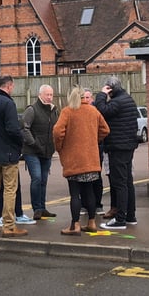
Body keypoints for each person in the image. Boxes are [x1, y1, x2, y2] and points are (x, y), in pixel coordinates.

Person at [53, 86, 110, 235]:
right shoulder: (93, 111)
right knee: (89, 191)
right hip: (91, 159)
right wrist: (93, 140)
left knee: (75, 193)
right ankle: (91, 222)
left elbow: (57, 131)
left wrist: (60, 147)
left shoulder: (67, 111)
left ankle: (75, 225)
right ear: (85, 97)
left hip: (73, 160)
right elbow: (105, 130)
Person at [0, 75, 31, 238]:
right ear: (9, 86)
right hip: (8, 151)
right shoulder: (8, 103)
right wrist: (20, 143)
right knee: (10, 189)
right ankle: (9, 226)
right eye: (12, 87)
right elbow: (13, 129)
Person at [95, 76, 139, 230]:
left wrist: (101, 94)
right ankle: (130, 216)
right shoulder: (128, 99)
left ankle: (120, 219)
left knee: (120, 184)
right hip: (128, 146)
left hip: (117, 147)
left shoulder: (117, 102)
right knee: (127, 182)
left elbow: (100, 111)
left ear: (110, 89)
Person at [22, 84, 59, 221]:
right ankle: (36, 208)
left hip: (47, 151)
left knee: (44, 180)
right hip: (32, 151)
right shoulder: (32, 110)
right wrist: (33, 143)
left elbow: (57, 129)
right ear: (40, 95)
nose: (49, 97)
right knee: (36, 178)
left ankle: (42, 208)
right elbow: (24, 128)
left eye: (51, 95)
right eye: (47, 94)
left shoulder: (54, 110)